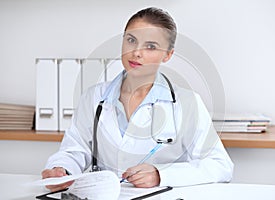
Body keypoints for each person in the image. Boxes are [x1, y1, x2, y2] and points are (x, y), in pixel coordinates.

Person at [42, 7, 233, 192]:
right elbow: (74, 150)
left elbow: (220, 165)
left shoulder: (188, 103)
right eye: (131, 40)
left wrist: (161, 175)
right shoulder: (94, 97)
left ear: (167, 55)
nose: (136, 52)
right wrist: (62, 169)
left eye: (150, 46)